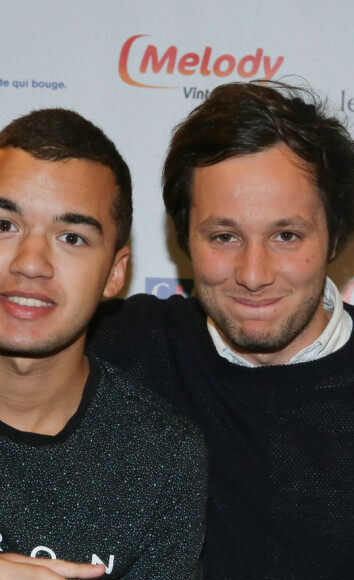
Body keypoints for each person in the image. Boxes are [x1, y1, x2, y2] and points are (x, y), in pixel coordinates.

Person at [88, 81, 354, 579]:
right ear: (183, 237)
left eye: (286, 235)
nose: (253, 274)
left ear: (335, 236)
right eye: (224, 236)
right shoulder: (117, 346)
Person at [0, 109, 207, 579]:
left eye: (71, 237)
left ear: (116, 273)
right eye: (4, 226)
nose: (31, 263)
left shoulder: (162, 454)